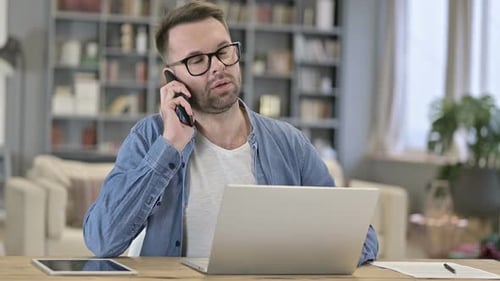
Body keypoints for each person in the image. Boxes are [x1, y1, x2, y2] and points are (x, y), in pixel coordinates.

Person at [83, 0, 378, 265]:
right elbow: (103, 240)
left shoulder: (288, 142)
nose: (218, 67)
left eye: (223, 51)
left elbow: (363, 239)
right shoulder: (150, 138)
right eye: (196, 60)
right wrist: (170, 145)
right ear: (172, 78)